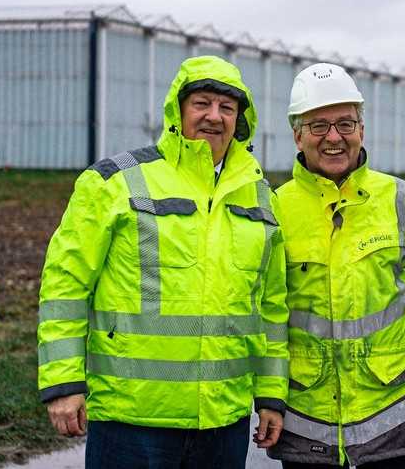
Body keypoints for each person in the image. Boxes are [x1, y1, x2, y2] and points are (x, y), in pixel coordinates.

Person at [37, 55, 289, 468]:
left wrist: (271, 395)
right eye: (202, 103)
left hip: (222, 422)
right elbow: (65, 283)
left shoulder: (261, 198)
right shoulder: (114, 182)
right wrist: (63, 383)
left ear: (241, 119)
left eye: (227, 107)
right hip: (130, 420)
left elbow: (271, 308)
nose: (214, 116)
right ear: (177, 110)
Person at [267, 63, 405, 468]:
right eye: (318, 126)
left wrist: (386, 356)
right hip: (307, 418)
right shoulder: (275, 209)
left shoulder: (404, 200)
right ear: (297, 136)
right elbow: (268, 310)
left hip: (394, 413)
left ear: (362, 129)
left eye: (346, 124)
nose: (334, 137)